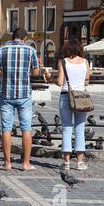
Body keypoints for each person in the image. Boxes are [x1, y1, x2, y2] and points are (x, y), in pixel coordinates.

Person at [0, 28, 39, 172]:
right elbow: (35, 72)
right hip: (24, 94)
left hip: (6, 94)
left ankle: (7, 163)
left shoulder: (2, 50)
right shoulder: (31, 51)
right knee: (26, 129)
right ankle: (25, 164)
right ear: (25, 39)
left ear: (13, 37)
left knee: (6, 128)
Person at [43, 39, 90, 171]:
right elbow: (87, 81)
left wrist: (49, 77)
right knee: (80, 129)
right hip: (81, 97)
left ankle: (67, 163)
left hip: (66, 96)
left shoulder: (63, 62)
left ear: (67, 49)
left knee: (66, 129)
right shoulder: (85, 62)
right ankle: (80, 163)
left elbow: (59, 82)